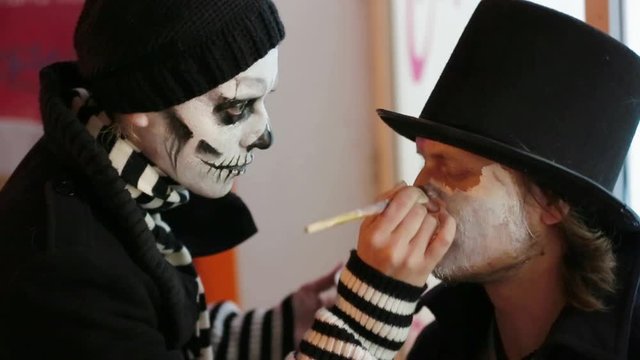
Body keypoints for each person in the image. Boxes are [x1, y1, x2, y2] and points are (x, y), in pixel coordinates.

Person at [0, 0, 453, 359]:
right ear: (144, 98)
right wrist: (364, 318)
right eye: (236, 109)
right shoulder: (68, 270)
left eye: (263, 100)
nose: (264, 136)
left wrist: (286, 325)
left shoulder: (120, 175)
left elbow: (159, 331)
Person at [374, 0, 640, 359]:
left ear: (551, 201)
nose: (421, 188)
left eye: (454, 169)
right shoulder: (440, 347)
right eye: (425, 161)